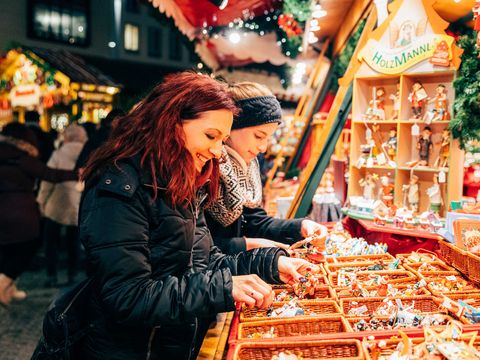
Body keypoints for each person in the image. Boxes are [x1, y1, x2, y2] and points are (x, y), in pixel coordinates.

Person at [75, 72, 318, 359]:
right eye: (211, 136)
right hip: (129, 349)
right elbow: (128, 296)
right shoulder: (119, 186)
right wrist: (225, 288)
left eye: (222, 139)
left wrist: (270, 264)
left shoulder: (180, 180)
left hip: (171, 342)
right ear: (170, 123)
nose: (217, 151)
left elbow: (207, 260)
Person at [205, 82, 327, 255]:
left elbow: (255, 222)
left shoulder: (247, 167)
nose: (263, 147)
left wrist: (301, 227)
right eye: (259, 136)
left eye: (268, 139)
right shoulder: (205, 167)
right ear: (231, 127)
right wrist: (246, 244)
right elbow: (195, 250)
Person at [0, 123, 77, 306]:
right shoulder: (23, 158)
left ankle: (8, 288)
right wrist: (78, 173)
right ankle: (5, 280)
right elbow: (49, 174)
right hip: (21, 211)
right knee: (30, 245)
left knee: (5, 249)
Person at [37, 124, 88, 287]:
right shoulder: (89, 152)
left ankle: (51, 275)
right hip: (80, 203)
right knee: (74, 240)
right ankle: (72, 274)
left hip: (57, 202)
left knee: (51, 240)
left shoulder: (59, 153)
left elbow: (48, 179)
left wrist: (41, 201)